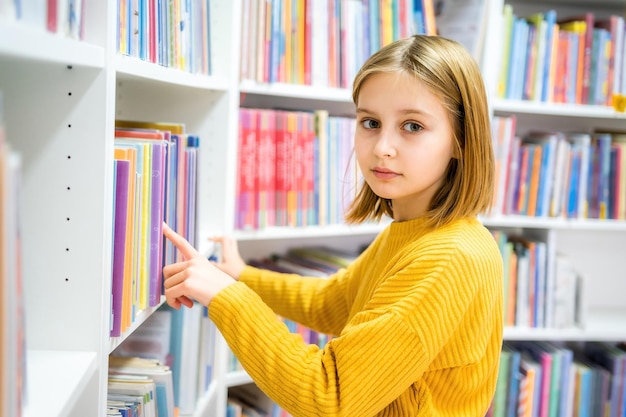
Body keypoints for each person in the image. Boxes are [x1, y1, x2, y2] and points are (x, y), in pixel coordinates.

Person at [162, 34, 503, 417]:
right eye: (370, 122)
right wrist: (241, 275)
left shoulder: (448, 256)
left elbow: (331, 397)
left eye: (412, 126)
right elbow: (333, 303)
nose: (382, 147)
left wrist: (227, 297)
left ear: (460, 138)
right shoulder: (416, 232)